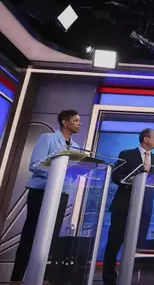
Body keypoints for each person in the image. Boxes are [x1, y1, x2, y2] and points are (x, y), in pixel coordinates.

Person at [11, 110, 81, 284]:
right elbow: (35, 165)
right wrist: (57, 172)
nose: (79, 123)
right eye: (76, 120)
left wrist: (74, 173)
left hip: (61, 193)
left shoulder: (77, 147)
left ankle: (40, 276)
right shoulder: (48, 139)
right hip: (41, 191)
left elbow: (74, 171)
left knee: (52, 235)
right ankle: (17, 278)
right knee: (31, 234)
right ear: (65, 122)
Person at [102, 128, 154, 285]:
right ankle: (109, 279)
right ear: (145, 139)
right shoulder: (126, 154)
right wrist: (132, 180)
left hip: (144, 209)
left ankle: (133, 278)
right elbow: (116, 176)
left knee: (138, 247)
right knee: (114, 245)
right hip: (124, 206)